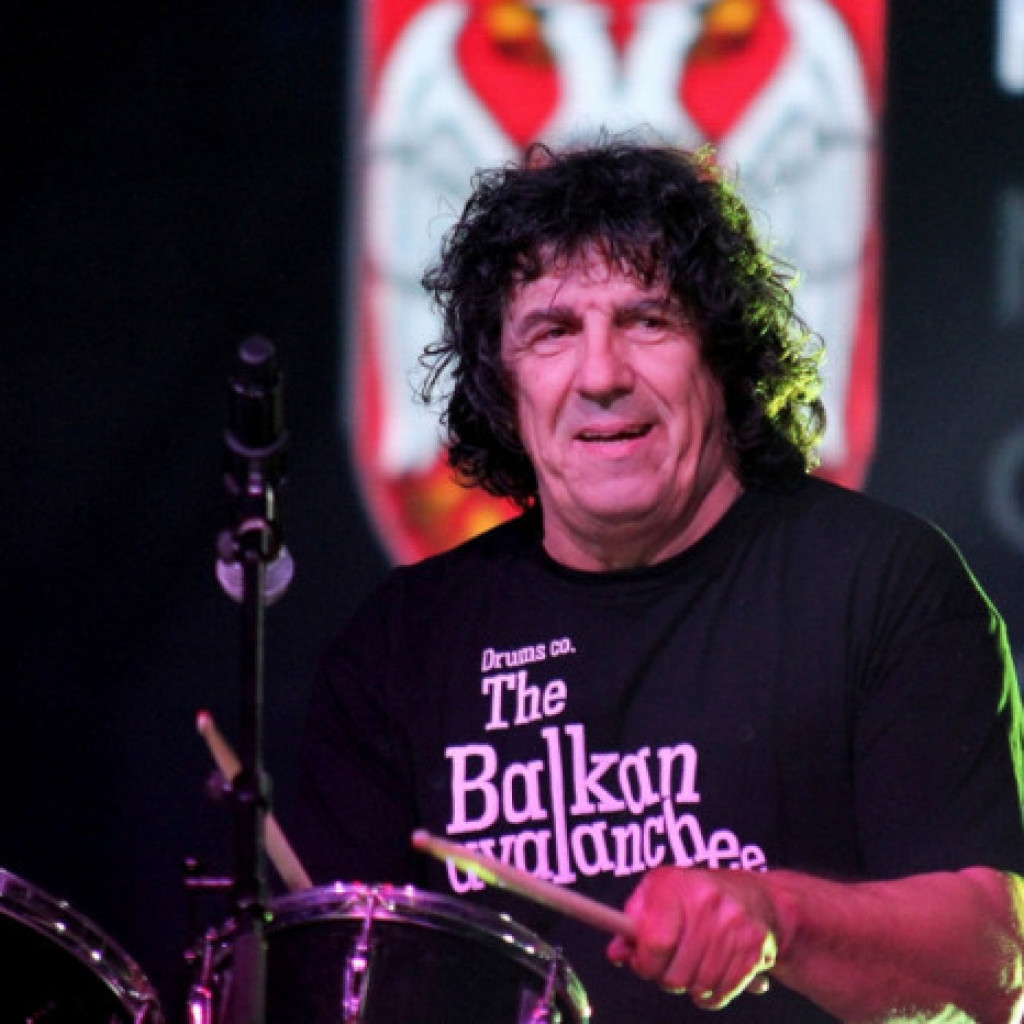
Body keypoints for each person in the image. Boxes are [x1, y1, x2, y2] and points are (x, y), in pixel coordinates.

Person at [295, 138, 1024, 1022]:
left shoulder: (882, 586)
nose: (602, 376)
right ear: (502, 386)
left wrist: (776, 916)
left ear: (724, 354)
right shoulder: (403, 644)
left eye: (649, 321)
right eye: (553, 332)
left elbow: (994, 970)